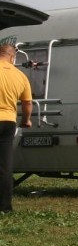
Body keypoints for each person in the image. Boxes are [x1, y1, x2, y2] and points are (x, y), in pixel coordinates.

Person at [0, 41, 32, 213]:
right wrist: (26, 120)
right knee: (5, 165)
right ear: (12, 56)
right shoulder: (20, 75)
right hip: (8, 122)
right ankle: (5, 207)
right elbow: (27, 103)